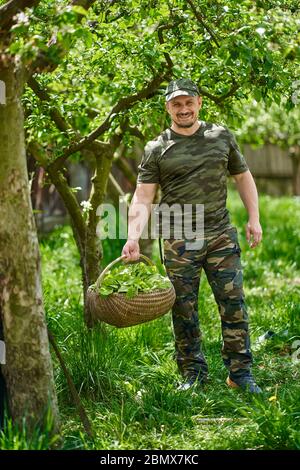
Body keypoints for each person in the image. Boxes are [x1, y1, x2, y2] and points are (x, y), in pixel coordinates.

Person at [121, 78, 263, 393]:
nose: (183, 109)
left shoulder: (221, 136)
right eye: (176, 103)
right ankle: (193, 373)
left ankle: (240, 374)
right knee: (183, 308)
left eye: (188, 102)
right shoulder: (157, 147)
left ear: (199, 103)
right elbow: (143, 196)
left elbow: (243, 176)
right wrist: (132, 236)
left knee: (233, 303)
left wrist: (254, 218)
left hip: (219, 234)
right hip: (177, 238)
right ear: (167, 107)